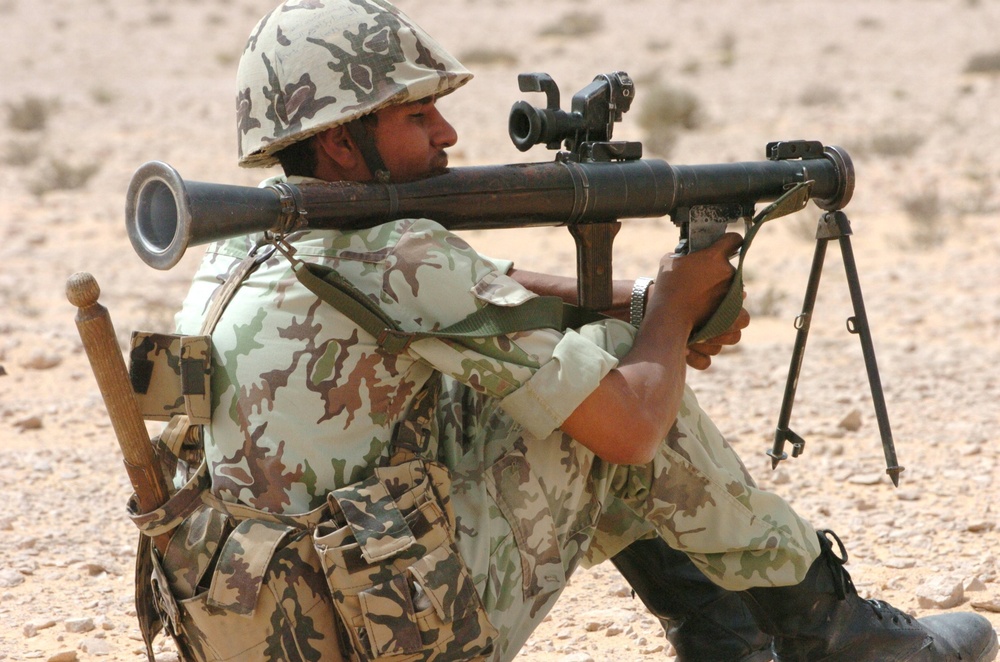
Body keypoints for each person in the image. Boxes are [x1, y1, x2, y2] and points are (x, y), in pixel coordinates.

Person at [167, 1, 998, 660]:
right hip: (381, 632)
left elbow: (489, 297)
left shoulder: (245, 245)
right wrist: (668, 311)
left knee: (587, 365)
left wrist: (636, 302)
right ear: (343, 146)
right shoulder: (399, 254)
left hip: (255, 626)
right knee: (607, 389)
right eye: (416, 115)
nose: (449, 134)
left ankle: (735, 640)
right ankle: (835, 638)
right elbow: (631, 428)